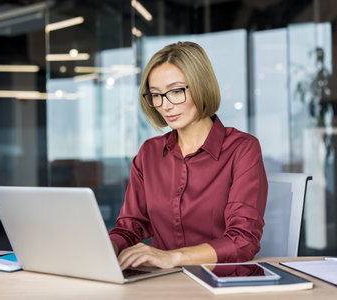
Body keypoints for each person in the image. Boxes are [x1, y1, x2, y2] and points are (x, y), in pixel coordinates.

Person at [109, 41, 268, 271]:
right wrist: (105, 249)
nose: (165, 105)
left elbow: (243, 241)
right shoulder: (149, 153)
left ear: (201, 86)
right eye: (156, 95)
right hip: (164, 284)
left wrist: (173, 257)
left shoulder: (242, 149)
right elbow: (130, 227)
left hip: (222, 284)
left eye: (176, 91)